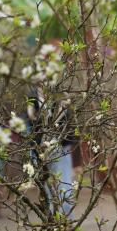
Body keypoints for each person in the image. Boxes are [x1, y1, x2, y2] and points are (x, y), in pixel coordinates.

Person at [27, 88, 77, 216]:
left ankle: (67, 219)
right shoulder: (32, 97)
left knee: (64, 185)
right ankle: (52, 221)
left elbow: (69, 119)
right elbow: (29, 122)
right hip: (41, 149)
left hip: (61, 147)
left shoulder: (60, 93)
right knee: (46, 189)